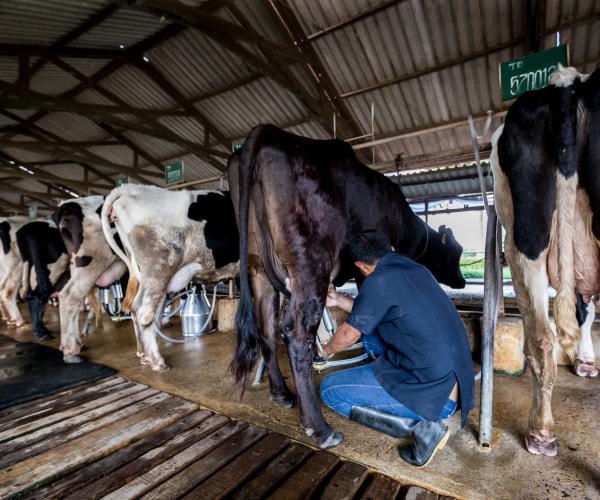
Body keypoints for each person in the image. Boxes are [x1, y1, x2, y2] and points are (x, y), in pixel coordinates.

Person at [319, 229, 474, 467]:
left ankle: (423, 429)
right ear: (391, 248)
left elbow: (349, 335)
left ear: (360, 264)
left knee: (330, 391)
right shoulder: (416, 270)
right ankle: (386, 386)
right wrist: (338, 300)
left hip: (435, 398)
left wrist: (324, 350)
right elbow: (374, 311)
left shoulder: (377, 282)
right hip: (456, 381)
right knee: (372, 336)